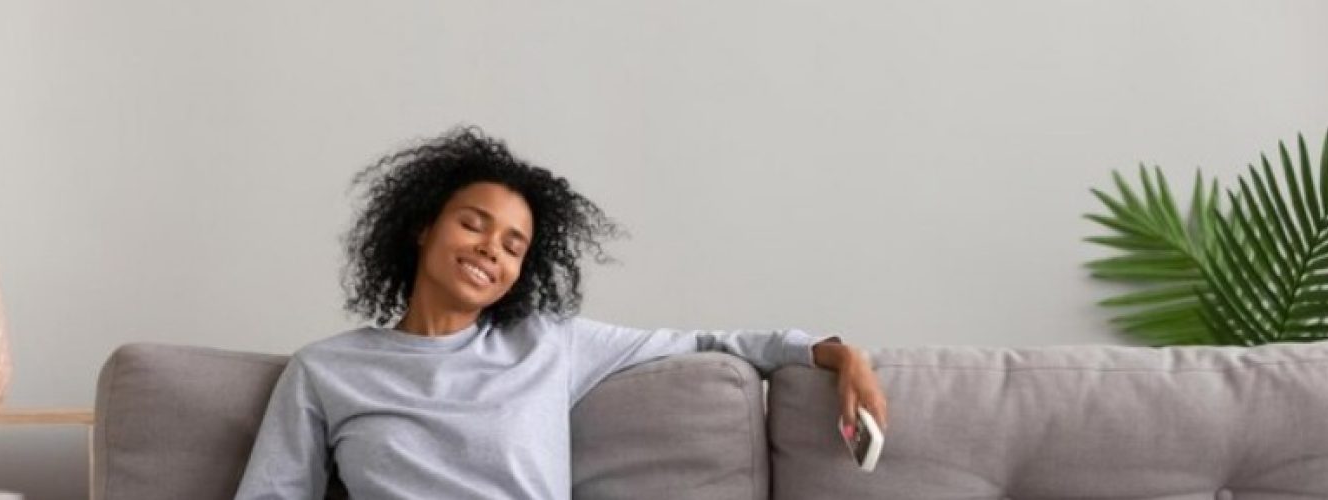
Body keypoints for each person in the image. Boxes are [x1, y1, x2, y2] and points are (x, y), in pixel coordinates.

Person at [234, 126, 889, 499]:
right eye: (473, 224)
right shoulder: (326, 370)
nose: (492, 248)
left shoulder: (549, 343)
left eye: (513, 245)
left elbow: (711, 341)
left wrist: (838, 354)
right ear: (422, 228)